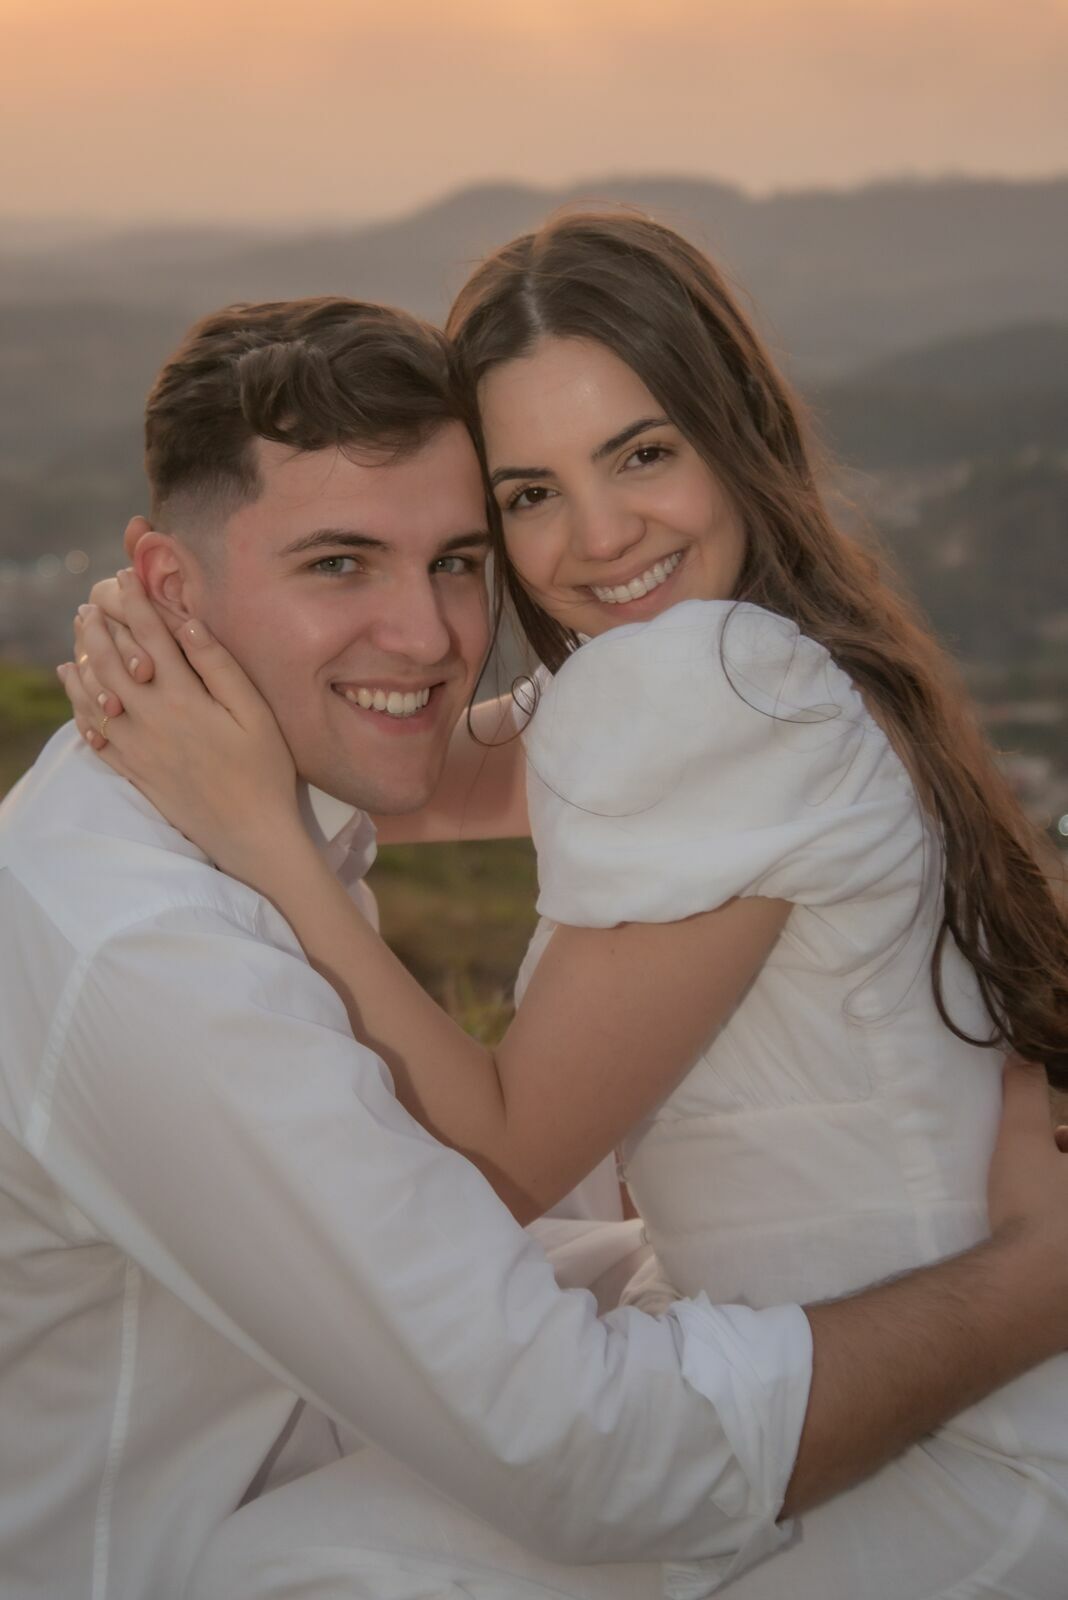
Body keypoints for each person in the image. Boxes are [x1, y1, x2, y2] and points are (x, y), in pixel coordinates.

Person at [38, 289, 1068, 1600]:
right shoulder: (750, 666)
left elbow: (504, 1153)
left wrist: (264, 837)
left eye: (643, 454)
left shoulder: (711, 682)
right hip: (899, 1362)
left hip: (927, 1429)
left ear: (733, 432)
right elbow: (439, 769)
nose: (598, 534)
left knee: (281, 1567)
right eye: (528, 494)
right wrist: (211, 701)